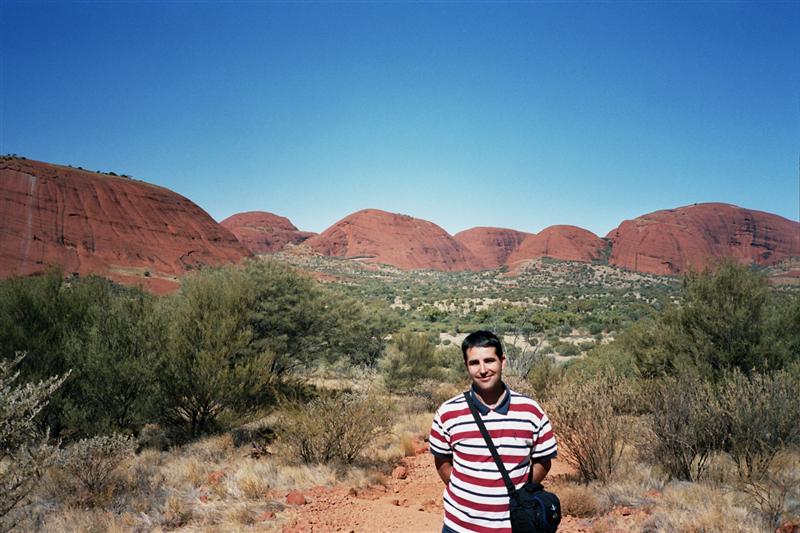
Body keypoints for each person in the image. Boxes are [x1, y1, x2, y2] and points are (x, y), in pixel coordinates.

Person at [429, 330, 557, 533]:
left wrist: (521, 495)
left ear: (502, 361)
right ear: (466, 366)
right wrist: (467, 494)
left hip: (513, 527)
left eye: (489, 361)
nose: (483, 370)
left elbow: (543, 461)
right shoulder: (448, 412)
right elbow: (442, 461)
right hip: (459, 527)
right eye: (474, 363)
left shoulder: (530, 411)